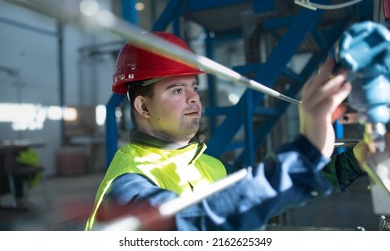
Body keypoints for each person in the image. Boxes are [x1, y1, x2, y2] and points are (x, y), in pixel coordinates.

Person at [85, 31, 368, 231]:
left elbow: (270, 193)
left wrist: (357, 159)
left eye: (194, 87)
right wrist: (304, 151)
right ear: (143, 107)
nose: (194, 97)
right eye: (177, 89)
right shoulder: (127, 183)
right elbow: (188, 225)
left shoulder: (210, 166)